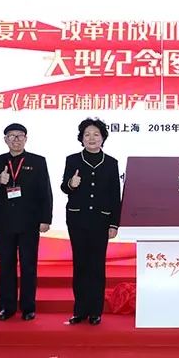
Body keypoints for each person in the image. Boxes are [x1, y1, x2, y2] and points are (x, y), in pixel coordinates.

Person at [0, 123, 53, 321]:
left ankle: (28, 307)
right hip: (4, 221)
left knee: (28, 265)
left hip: (29, 221)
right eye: (11, 136)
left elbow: (45, 192)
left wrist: (45, 219)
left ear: (26, 139)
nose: (16, 140)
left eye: (20, 136)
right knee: (6, 265)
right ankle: (7, 307)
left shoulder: (38, 161)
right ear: (5, 140)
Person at [60, 118, 121, 326]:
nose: (91, 138)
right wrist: (71, 183)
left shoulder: (111, 163)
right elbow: (64, 187)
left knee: (96, 266)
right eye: (87, 134)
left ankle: (95, 311)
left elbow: (115, 195)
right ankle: (80, 310)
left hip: (101, 220)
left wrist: (114, 223)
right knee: (80, 264)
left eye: (96, 134)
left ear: (103, 138)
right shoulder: (72, 160)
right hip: (77, 219)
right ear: (81, 138)